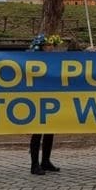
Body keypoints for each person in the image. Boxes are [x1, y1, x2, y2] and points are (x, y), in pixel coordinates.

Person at [28, 34, 62, 175]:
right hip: (37, 99)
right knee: (37, 133)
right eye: (48, 45)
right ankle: (34, 164)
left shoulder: (55, 59)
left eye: (52, 45)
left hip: (51, 99)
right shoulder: (32, 60)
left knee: (49, 132)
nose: (51, 48)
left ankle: (46, 161)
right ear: (41, 47)